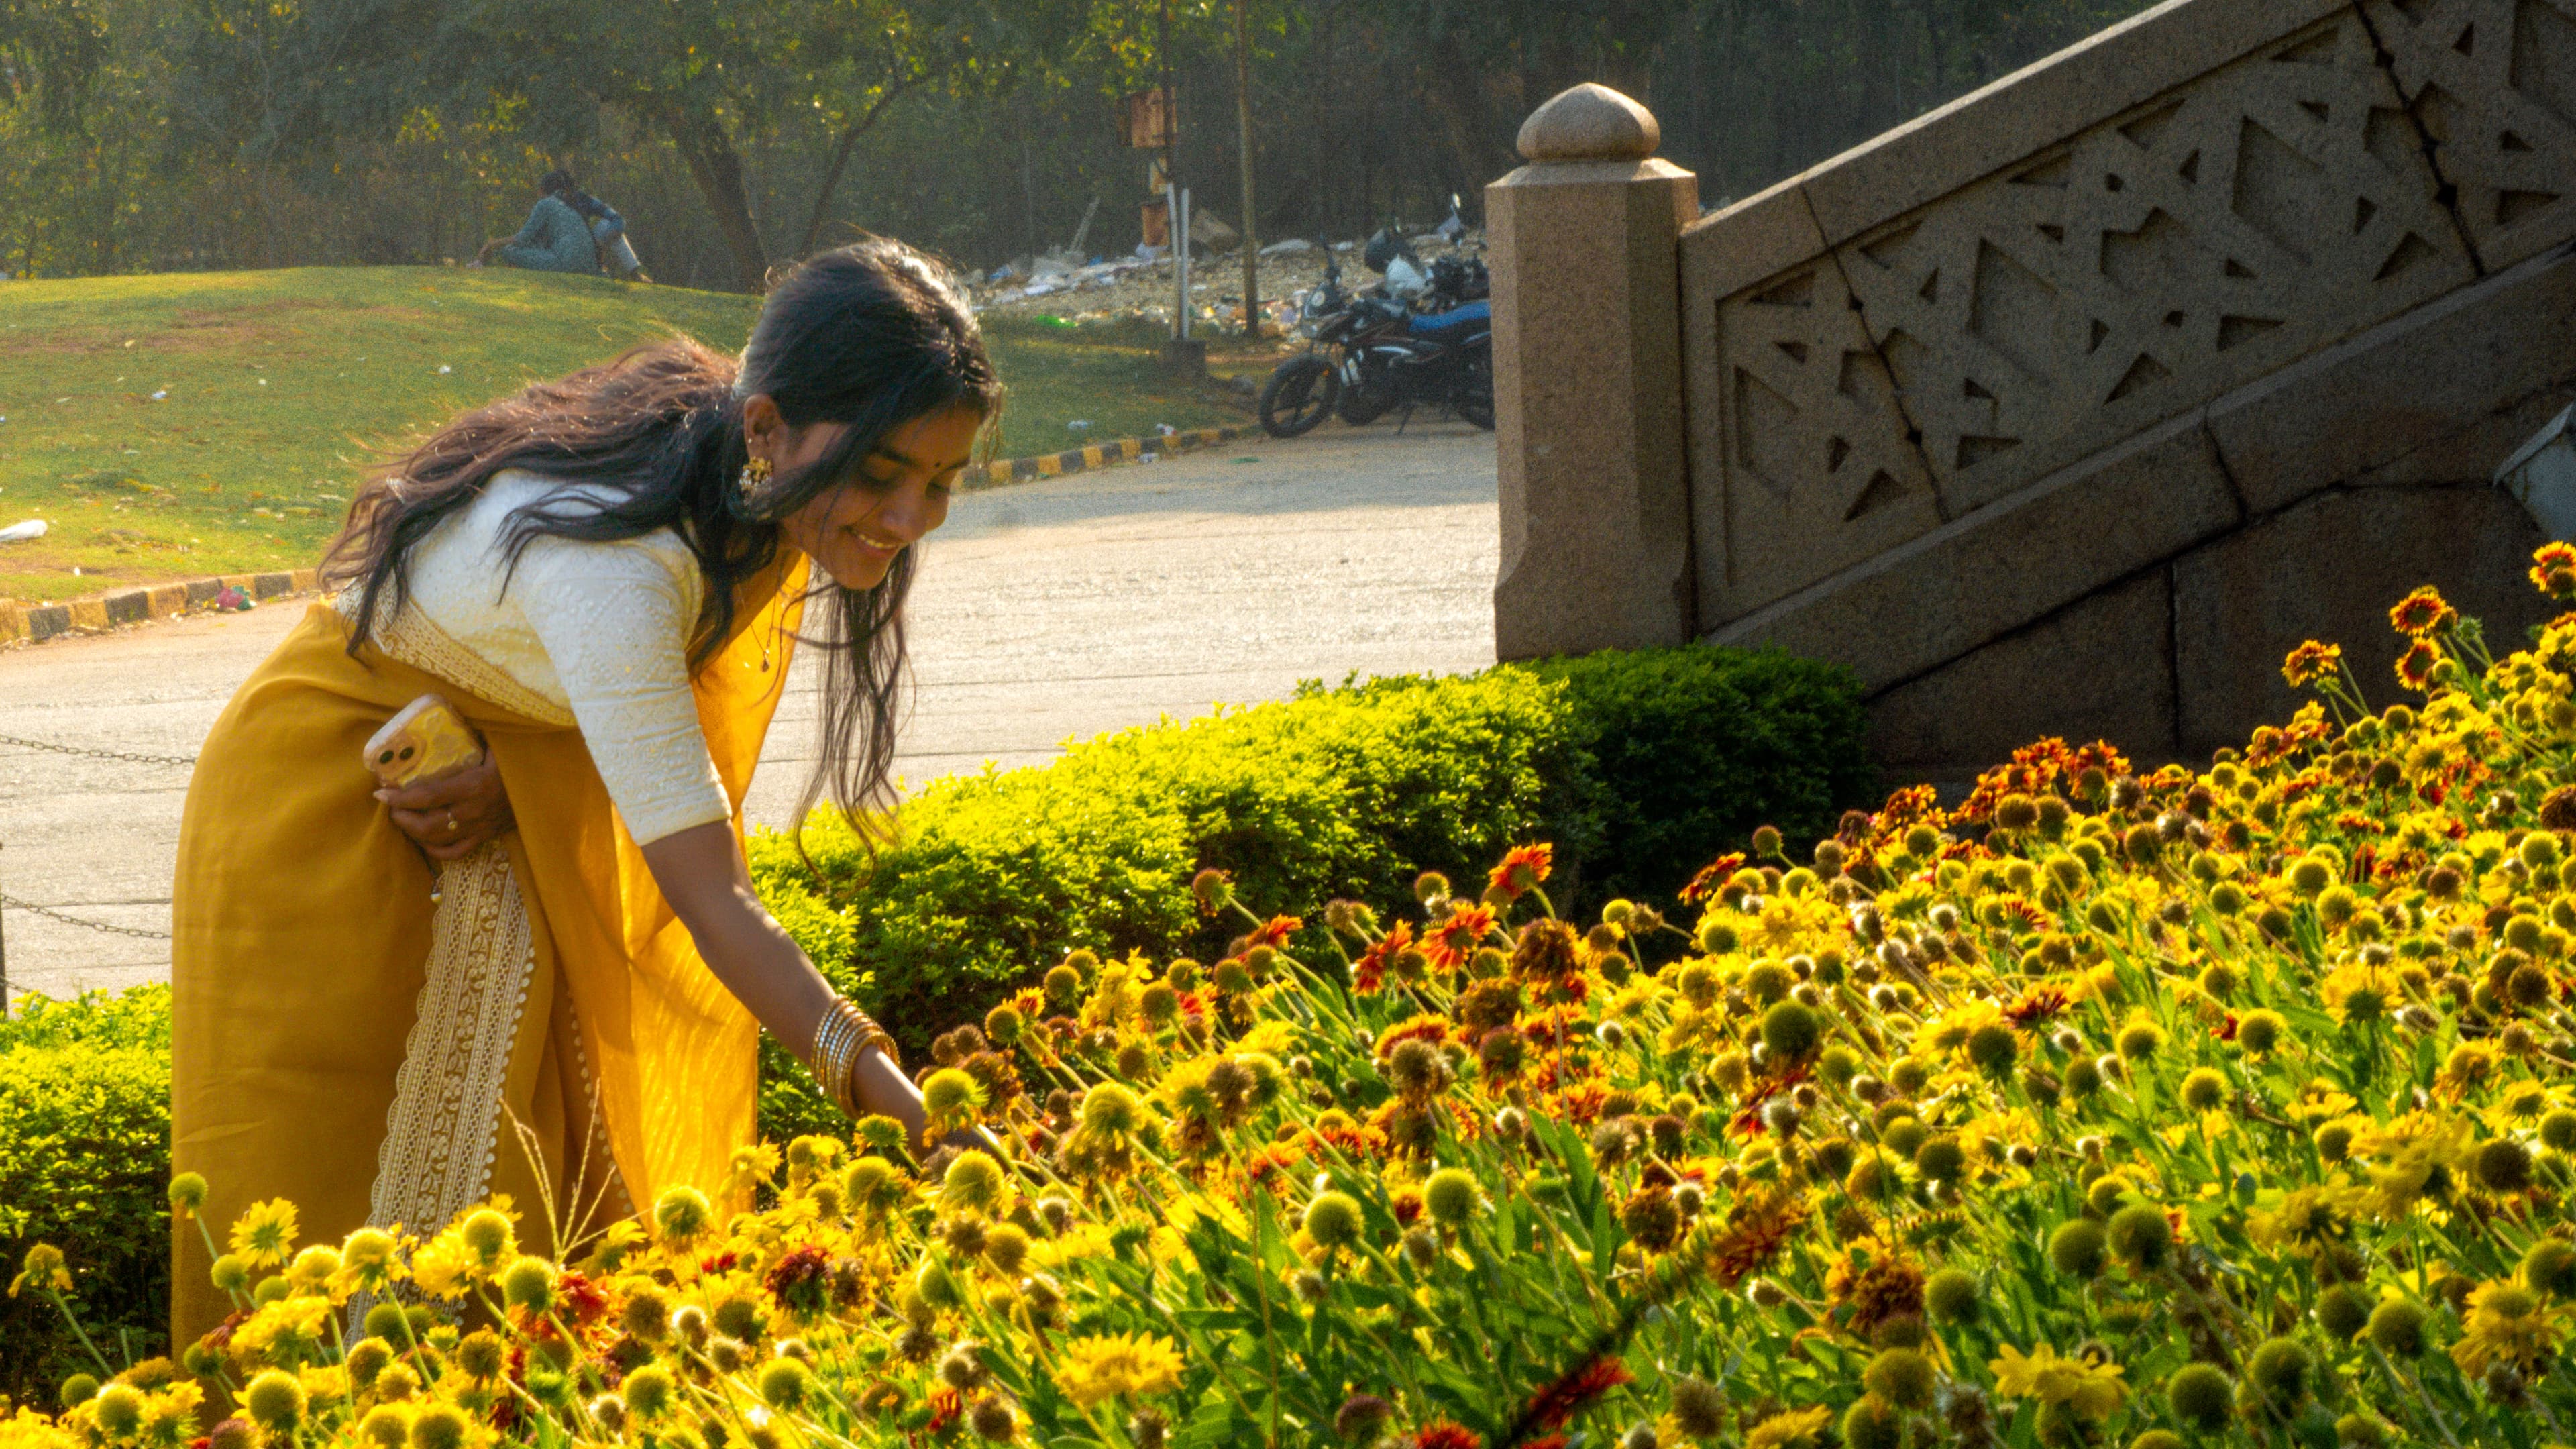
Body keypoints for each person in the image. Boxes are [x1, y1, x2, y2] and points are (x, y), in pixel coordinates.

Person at [168, 239, 998, 1349]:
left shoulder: (746, 469)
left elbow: (616, 718)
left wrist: (521, 778)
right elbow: (713, 901)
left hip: (487, 782)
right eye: (886, 475)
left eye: (940, 484)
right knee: (329, 1208)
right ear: (767, 427)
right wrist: (903, 1105)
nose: (906, 522)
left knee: (521, 1206)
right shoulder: (621, 572)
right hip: (331, 796)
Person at [478, 170, 604, 275]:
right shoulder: (569, 204)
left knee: (510, 250)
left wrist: (492, 244)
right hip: (589, 266)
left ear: (541, 190)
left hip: (566, 264)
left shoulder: (545, 204)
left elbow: (522, 238)